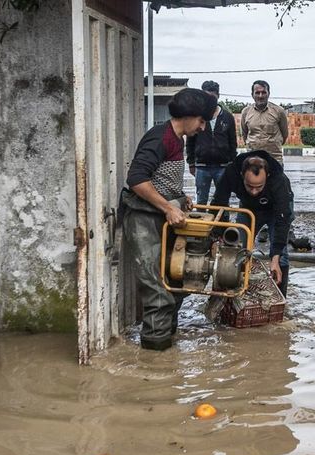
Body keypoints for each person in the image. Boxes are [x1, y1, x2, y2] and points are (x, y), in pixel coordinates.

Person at [121, 88, 217, 351]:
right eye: (201, 121)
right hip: (144, 217)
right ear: (189, 115)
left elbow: (161, 178)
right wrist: (168, 207)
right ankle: (155, 353)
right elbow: (137, 179)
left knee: (176, 279)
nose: (202, 127)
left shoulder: (177, 138)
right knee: (157, 288)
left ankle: (168, 346)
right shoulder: (160, 137)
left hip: (160, 216)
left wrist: (180, 197)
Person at [210, 150, 294, 297]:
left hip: (277, 210)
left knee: (281, 255)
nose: (254, 192)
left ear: (267, 176)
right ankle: (232, 292)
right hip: (249, 208)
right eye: (250, 186)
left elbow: (283, 220)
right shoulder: (231, 172)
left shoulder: (278, 180)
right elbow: (218, 203)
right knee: (237, 248)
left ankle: (280, 297)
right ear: (241, 175)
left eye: (259, 187)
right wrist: (217, 236)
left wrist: (275, 258)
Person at [186, 80, 237, 205]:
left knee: (223, 200)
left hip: (223, 167)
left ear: (218, 96)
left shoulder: (227, 117)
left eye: (212, 97)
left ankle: (223, 219)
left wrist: (232, 163)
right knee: (201, 201)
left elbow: (233, 142)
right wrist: (191, 163)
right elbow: (190, 141)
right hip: (202, 167)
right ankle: (202, 218)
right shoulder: (196, 116)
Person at [241, 80, 289, 164]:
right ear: (252, 95)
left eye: (263, 92)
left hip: (274, 159)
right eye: (257, 93)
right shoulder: (246, 112)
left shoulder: (279, 111)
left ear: (268, 94)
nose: (260, 96)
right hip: (253, 159)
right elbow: (244, 134)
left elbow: (284, 134)